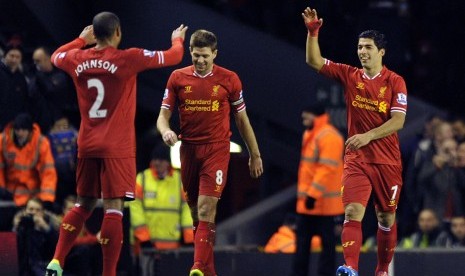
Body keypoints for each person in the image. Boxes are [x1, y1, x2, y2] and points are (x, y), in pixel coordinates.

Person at [44, 11, 188, 276]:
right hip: (116, 147)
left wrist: (79, 40)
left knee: (82, 204)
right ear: (118, 32)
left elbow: (55, 57)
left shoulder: (77, 58)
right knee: (114, 208)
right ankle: (108, 274)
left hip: (86, 144)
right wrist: (178, 40)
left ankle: (56, 261)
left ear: (94, 34)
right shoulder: (127, 58)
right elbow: (174, 56)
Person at [302, 6, 408, 276]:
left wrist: (367, 136)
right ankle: (350, 267)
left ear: (381, 52)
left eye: (368, 47)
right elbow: (314, 61)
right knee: (352, 211)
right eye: (360, 47)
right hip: (357, 159)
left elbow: (398, 121)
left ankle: (382, 270)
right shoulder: (350, 75)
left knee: (386, 217)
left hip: (387, 160)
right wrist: (313, 33)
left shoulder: (395, 82)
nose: (362, 51)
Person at [157, 29, 264, 276]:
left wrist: (255, 154)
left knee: (206, 209)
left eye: (205, 56)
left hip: (216, 150)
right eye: (196, 56)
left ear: (215, 54)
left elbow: (242, 120)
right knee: (196, 214)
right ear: (190, 53)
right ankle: (209, 270)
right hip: (188, 150)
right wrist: (165, 131)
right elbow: (163, 116)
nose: (200, 61)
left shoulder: (229, 80)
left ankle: (196, 267)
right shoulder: (177, 78)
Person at [291, 104, 344, 276]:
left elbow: (326, 169)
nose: (303, 120)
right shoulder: (310, 134)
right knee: (302, 248)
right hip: (308, 204)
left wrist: (312, 194)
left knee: (327, 249)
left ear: (315, 116)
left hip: (326, 206)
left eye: (306, 117)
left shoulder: (329, 137)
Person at [129, 143, 194, 252]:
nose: (157, 163)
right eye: (155, 159)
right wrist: (143, 237)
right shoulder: (142, 179)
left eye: (161, 160)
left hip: (172, 247)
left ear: (168, 162)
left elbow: (187, 210)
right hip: (145, 246)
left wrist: (189, 239)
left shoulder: (179, 181)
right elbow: (135, 209)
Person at [0, 113, 57, 207]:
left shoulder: (41, 143)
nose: (20, 133)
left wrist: (46, 198)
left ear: (30, 131)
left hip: (33, 196)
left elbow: (48, 172)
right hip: (8, 195)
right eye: (17, 129)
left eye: (23, 130)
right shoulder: (3, 141)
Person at [28, 46, 78, 134]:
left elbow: (58, 95)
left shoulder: (61, 76)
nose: (36, 64)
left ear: (47, 59)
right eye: (34, 61)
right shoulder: (33, 78)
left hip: (60, 121)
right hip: (40, 123)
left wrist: (63, 117)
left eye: (38, 61)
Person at [12, 197, 60, 276]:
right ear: (25, 211)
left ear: (43, 212)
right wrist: (17, 227)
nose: (34, 212)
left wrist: (45, 228)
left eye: (38, 210)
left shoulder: (49, 226)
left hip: (43, 266)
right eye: (31, 209)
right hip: (23, 267)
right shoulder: (20, 225)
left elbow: (57, 247)